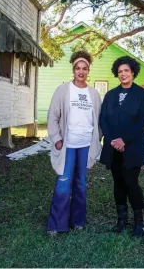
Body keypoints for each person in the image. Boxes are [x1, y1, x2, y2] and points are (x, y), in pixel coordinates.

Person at [46, 50, 102, 236]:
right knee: (63, 183)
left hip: (85, 145)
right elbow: (53, 117)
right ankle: (56, 225)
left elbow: (98, 121)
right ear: (73, 70)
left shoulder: (93, 94)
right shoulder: (63, 90)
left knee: (81, 184)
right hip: (68, 146)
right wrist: (57, 139)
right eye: (78, 68)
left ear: (88, 71)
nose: (81, 71)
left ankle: (77, 221)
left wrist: (97, 140)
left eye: (84, 68)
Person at [99, 56, 144, 238]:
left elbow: (142, 121)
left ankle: (140, 223)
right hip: (113, 146)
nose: (123, 74)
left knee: (131, 181)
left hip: (134, 145)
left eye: (126, 71)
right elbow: (103, 119)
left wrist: (124, 140)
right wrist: (114, 140)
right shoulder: (110, 95)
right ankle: (121, 220)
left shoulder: (141, 94)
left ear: (133, 72)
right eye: (120, 71)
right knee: (118, 182)